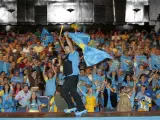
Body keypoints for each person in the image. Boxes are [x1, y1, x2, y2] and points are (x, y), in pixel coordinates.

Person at [59, 33, 87, 116]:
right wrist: (60, 40)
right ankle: (81, 109)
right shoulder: (68, 55)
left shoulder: (74, 53)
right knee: (74, 93)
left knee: (63, 90)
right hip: (69, 77)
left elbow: (70, 46)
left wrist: (66, 37)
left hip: (73, 76)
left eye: (66, 47)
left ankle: (72, 106)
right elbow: (64, 47)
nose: (64, 49)